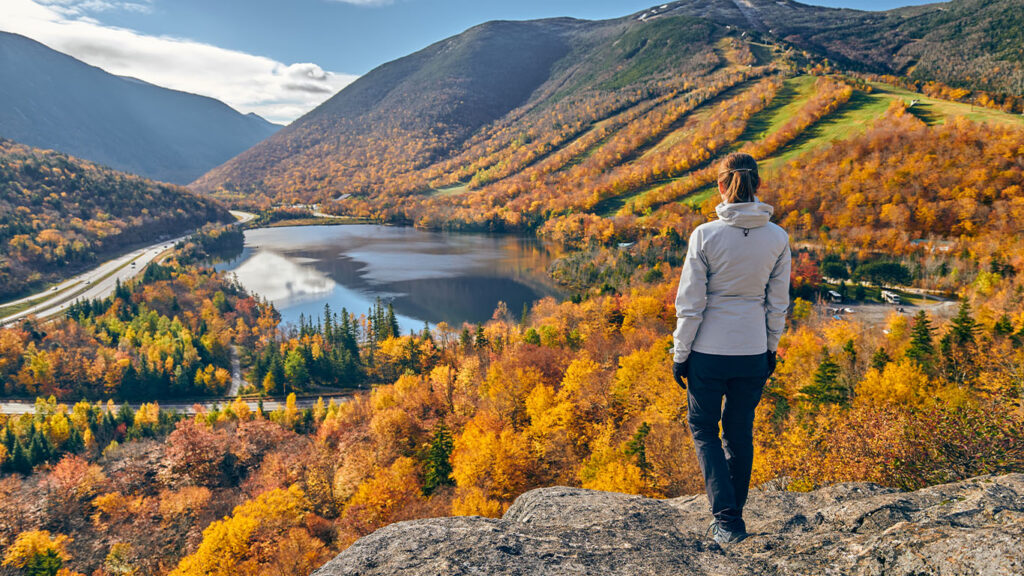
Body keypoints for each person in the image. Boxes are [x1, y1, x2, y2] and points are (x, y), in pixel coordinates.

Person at [671, 152, 791, 545]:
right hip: (753, 349)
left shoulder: (705, 235)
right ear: (757, 185)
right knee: (739, 431)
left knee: (704, 428)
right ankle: (732, 519)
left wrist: (680, 353)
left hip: (708, 352)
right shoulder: (777, 237)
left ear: (722, 186)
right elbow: (778, 303)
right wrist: (770, 349)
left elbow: (691, 304)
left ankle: (725, 518)